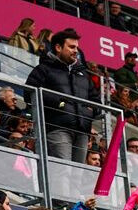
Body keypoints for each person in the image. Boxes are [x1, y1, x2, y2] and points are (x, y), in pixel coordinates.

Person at [27, 29, 98, 163]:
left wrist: (90, 111)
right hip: (57, 128)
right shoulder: (43, 69)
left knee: (77, 173)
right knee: (62, 171)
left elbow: (96, 100)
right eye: (71, 47)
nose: (76, 51)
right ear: (58, 47)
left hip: (82, 131)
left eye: (76, 47)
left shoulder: (83, 74)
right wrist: (60, 103)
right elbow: (30, 93)